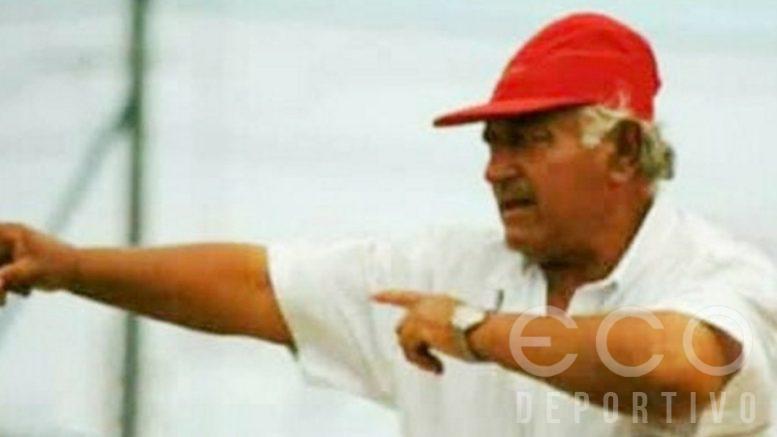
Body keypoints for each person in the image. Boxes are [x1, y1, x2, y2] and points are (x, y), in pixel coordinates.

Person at [0, 12, 775, 436]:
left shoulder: (713, 272)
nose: (495, 168)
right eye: (491, 143)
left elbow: (674, 369)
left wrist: (476, 332)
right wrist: (70, 266)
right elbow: (257, 285)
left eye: (529, 140)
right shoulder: (448, 271)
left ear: (624, 150)